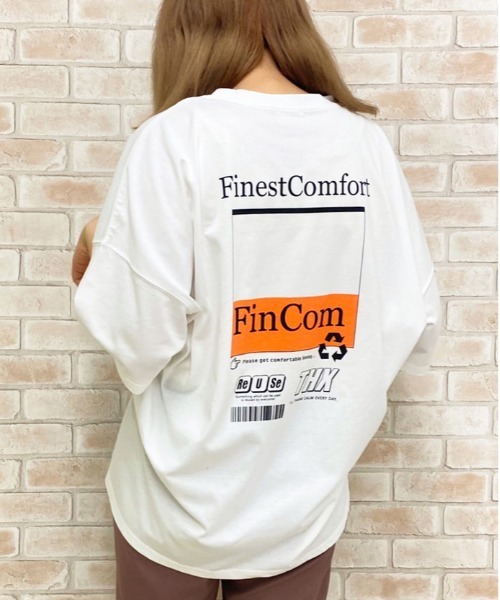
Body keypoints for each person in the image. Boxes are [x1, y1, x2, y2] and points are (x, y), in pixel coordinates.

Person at [71, 1, 442, 598]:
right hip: (300, 504)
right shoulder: (362, 144)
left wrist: (98, 238)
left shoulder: (174, 138)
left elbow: (137, 339)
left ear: (186, 26)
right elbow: (411, 320)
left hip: (172, 506)